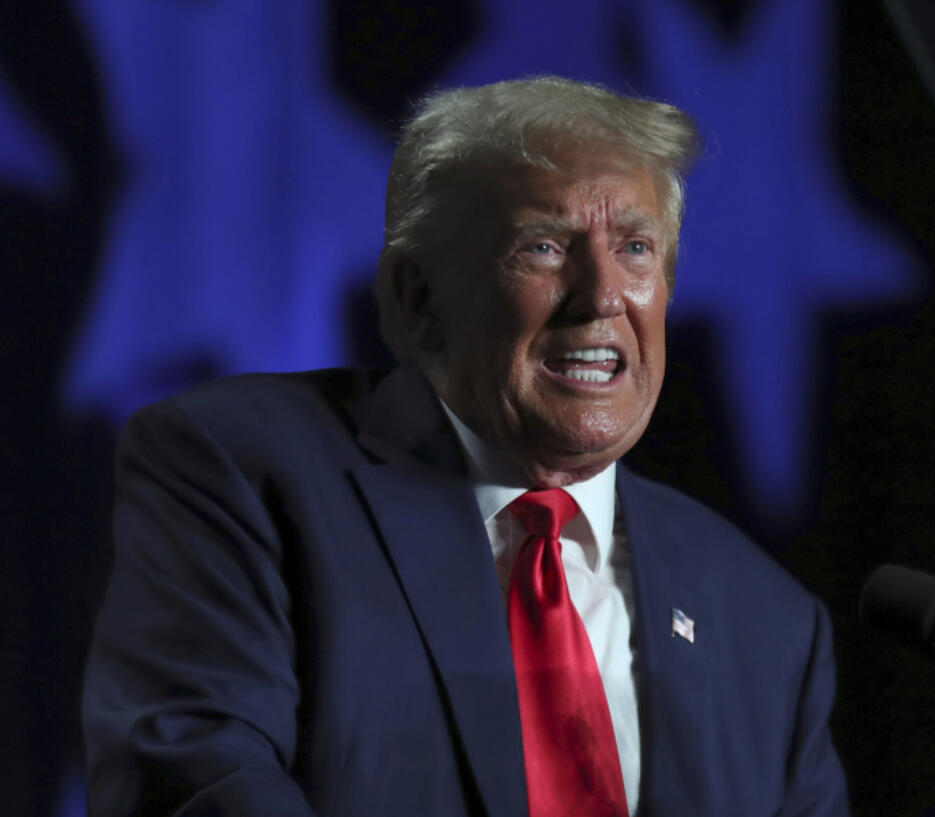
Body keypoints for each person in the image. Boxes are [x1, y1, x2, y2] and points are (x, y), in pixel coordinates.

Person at [82, 76, 849, 817]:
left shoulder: (765, 620)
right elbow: (195, 776)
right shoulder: (244, 474)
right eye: (544, 246)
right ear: (419, 299)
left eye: (637, 248)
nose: (604, 295)